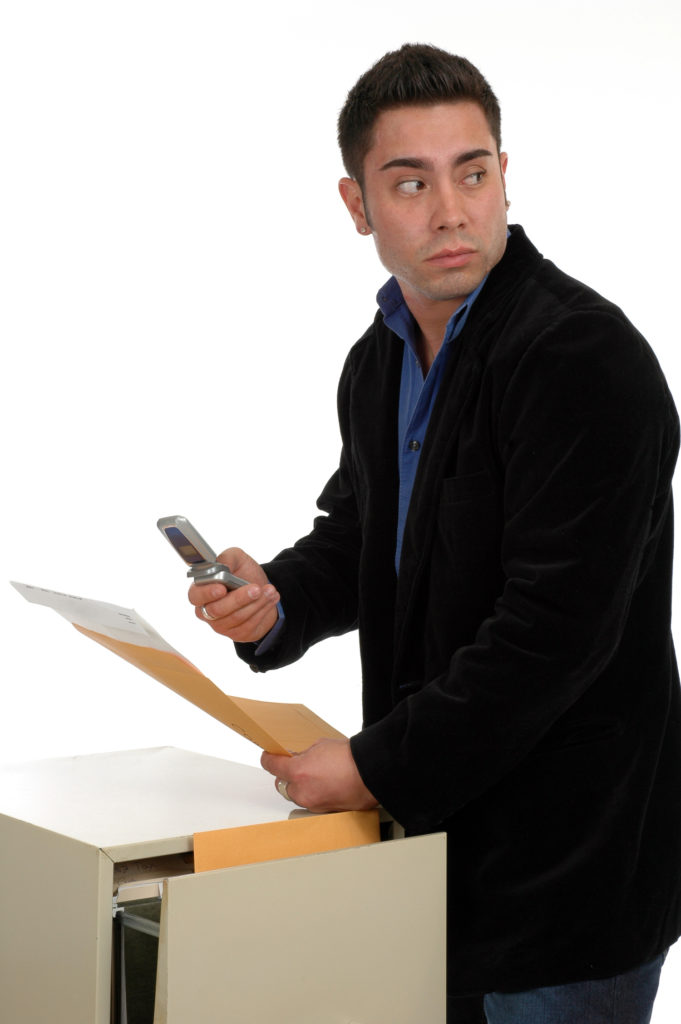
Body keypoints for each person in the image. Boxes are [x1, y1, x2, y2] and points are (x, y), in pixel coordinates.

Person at [188, 44, 681, 1024]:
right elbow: (367, 528)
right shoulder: (381, 358)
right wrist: (275, 598)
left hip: (563, 887)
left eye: (473, 171)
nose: (450, 211)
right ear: (357, 204)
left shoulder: (579, 357)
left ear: (505, 176)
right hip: (432, 865)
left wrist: (374, 765)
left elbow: (554, 632)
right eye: (410, 182)